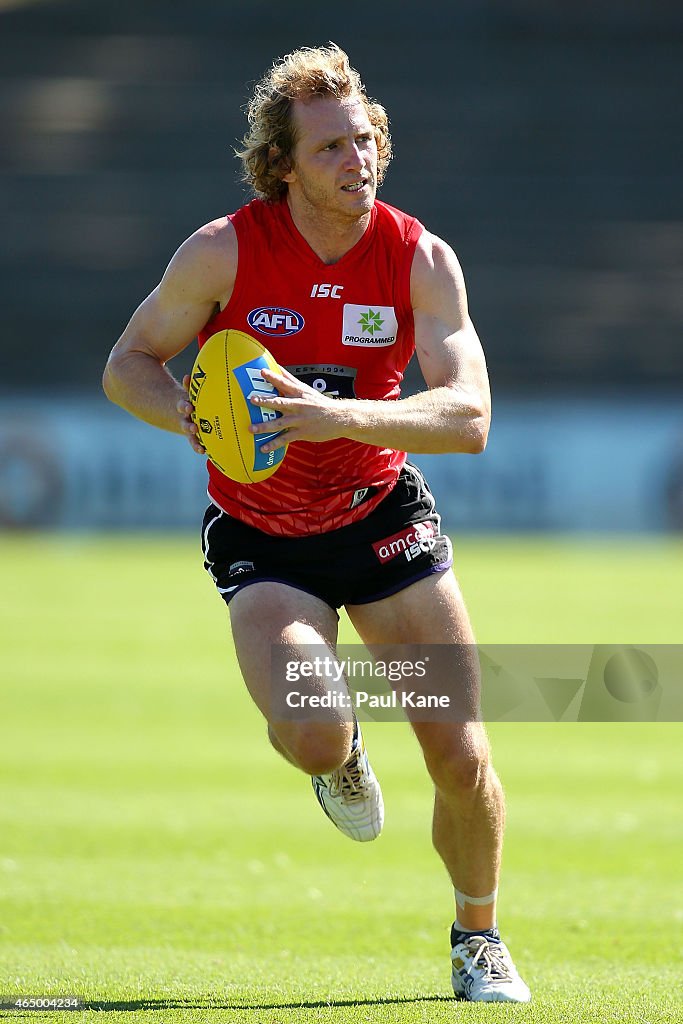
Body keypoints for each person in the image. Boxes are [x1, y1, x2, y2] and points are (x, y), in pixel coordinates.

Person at [102, 42, 531, 1004]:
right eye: (333, 146)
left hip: (379, 518)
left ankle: (477, 939)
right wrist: (197, 415)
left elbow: (468, 419)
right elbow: (128, 363)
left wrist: (342, 417)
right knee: (308, 730)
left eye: (367, 138)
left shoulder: (419, 257)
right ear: (283, 164)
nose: (359, 159)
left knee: (461, 755)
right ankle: (336, 757)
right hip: (262, 534)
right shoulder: (222, 250)